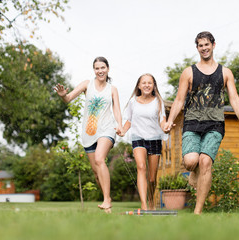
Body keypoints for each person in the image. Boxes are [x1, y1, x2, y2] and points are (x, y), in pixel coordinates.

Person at [164, 31, 239, 215]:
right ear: (197, 48)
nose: (204, 48)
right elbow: (178, 100)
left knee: (205, 161)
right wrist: (169, 121)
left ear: (213, 45)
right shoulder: (188, 72)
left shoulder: (225, 73)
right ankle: (193, 171)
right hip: (192, 122)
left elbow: (234, 98)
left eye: (207, 44)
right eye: (200, 45)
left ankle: (198, 212)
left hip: (215, 124)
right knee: (191, 161)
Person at [54, 56, 123, 213]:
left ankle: (106, 200)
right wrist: (63, 95)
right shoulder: (87, 84)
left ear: (108, 69)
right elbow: (69, 98)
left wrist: (119, 125)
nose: (100, 71)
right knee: (97, 174)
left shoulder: (112, 89)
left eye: (102, 68)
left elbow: (117, 110)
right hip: (89, 132)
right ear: (94, 70)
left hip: (107, 129)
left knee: (100, 159)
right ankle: (108, 198)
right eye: (97, 68)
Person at [119, 73, 167, 210]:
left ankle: (151, 200)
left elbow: (162, 120)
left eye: (149, 83)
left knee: (152, 178)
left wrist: (166, 127)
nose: (147, 85)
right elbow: (129, 120)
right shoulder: (133, 102)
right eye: (144, 83)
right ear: (139, 86)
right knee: (141, 167)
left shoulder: (158, 101)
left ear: (153, 86)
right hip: (138, 137)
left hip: (154, 138)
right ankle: (144, 204)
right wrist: (123, 130)